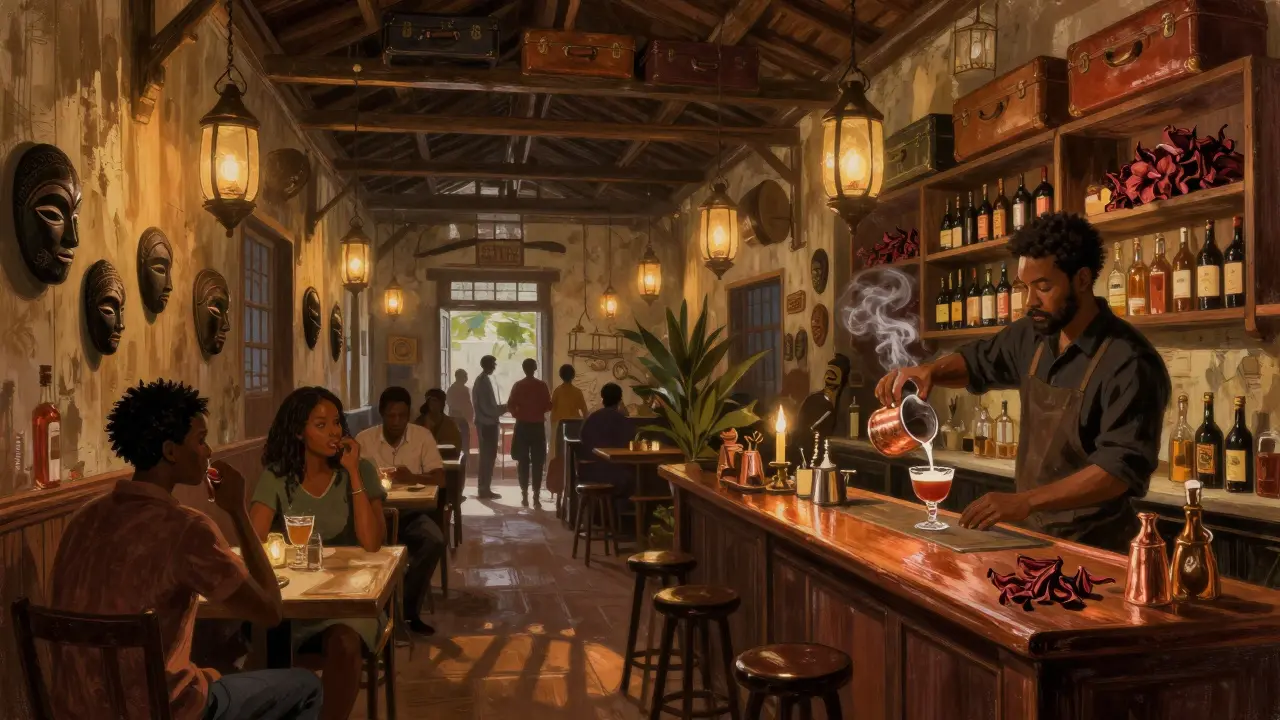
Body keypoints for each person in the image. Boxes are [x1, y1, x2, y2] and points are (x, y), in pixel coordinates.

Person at [875, 212, 1171, 552]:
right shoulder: (1032, 335)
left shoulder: (1130, 361)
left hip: (1096, 546)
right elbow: (977, 361)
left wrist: (1026, 501)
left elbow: (1117, 471)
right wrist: (931, 371)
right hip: (1033, 537)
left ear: (1082, 279)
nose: (1030, 301)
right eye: (1025, 287)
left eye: (1043, 287)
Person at [49, 379, 322, 720]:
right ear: (170, 451)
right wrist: (238, 511)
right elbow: (270, 612)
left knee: (216, 673)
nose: (208, 451)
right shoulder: (186, 529)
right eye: (201, 440)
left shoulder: (83, 519)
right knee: (305, 686)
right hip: (159, 711)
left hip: (71, 711)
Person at [250, 387, 387, 720]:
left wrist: (353, 473)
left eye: (337, 423)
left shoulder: (361, 469)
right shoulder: (277, 476)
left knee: (345, 643)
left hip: (350, 599)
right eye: (321, 425)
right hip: (295, 599)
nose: (334, 432)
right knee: (258, 635)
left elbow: (372, 543)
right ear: (299, 431)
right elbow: (254, 541)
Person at [358, 387, 448, 636]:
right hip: (374, 517)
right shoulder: (364, 440)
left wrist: (412, 477)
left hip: (411, 514)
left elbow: (441, 479)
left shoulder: (422, 437)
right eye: (391, 415)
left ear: (409, 414)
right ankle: (374, 610)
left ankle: (406, 612)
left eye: (402, 416)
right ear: (381, 414)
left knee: (434, 540)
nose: (396, 421)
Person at [507, 358, 553, 508]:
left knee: (523, 461)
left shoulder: (518, 385)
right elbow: (548, 405)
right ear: (535, 368)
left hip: (522, 426)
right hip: (537, 427)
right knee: (538, 462)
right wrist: (537, 410)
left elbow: (510, 405)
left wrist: (518, 413)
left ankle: (524, 495)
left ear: (523, 368)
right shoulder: (542, 386)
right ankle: (536, 496)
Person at [578, 382, 634, 489]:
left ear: (602, 399)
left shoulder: (592, 418)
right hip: (617, 472)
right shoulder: (622, 420)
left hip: (591, 471)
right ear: (619, 400)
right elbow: (630, 441)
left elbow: (583, 438)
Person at [547, 364, 588, 498]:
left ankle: (558, 491)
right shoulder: (577, 392)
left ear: (560, 376)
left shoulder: (557, 391)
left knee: (559, 458)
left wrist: (553, 429)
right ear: (573, 376)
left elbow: (552, 412)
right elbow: (585, 412)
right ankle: (573, 487)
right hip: (574, 427)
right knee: (573, 458)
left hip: (560, 427)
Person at [472, 355, 506, 500]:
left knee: (488, 457)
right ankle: (484, 489)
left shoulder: (484, 380)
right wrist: (503, 409)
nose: (494, 366)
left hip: (487, 423)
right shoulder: (482, 382)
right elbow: (487, 408)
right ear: (487, 365)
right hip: (487, 424)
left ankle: (485, 488)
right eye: (493, 364)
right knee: (487, 457)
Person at [446, 368, 473, 474]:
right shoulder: (453, 390)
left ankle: (464, 469)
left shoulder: (462, 389)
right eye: (464, 376)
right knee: (458, 445)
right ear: (458, 377)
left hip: (462, 420)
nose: (466, 378)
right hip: (457, 420)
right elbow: (453, 405)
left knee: (464, 445)